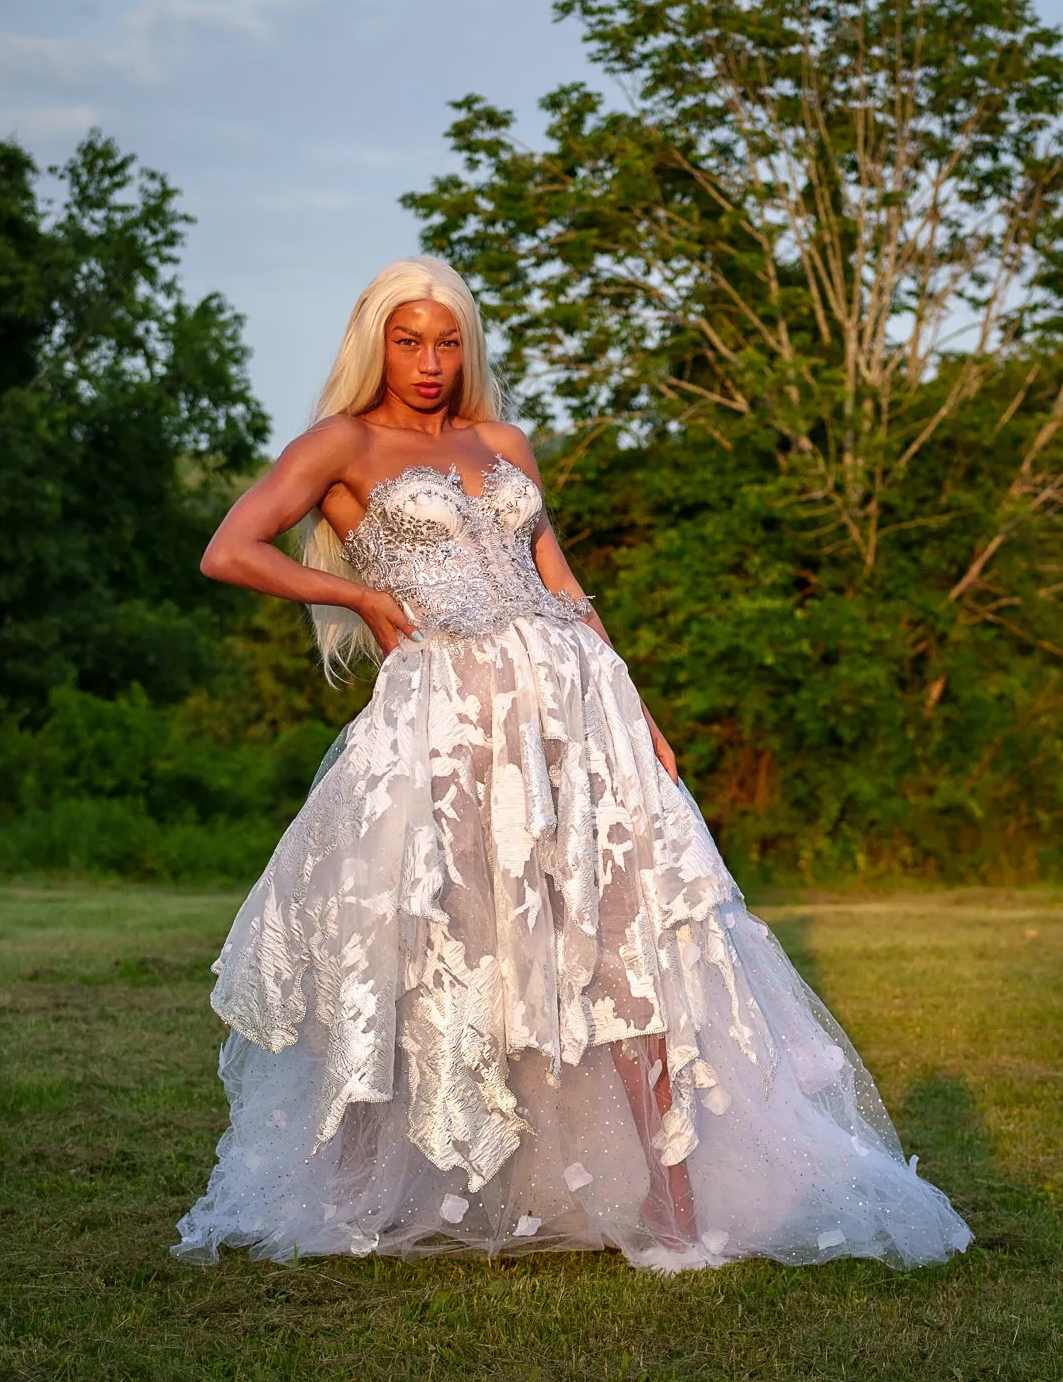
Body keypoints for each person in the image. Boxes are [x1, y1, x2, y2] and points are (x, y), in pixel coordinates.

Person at [171, 257, 972, 1272]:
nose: (429, 361)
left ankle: (677, 1214)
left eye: (448, 339)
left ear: (469, 343)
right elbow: (229, 548)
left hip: (575, 712)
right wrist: (368, 601)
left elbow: (565, 587)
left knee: (628, 942)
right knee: (418, 948)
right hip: (446, 729)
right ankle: (352, 1196)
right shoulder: (342, 443)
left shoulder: (502, 443)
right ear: (378, 342)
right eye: (409, 340)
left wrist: (640, 716)